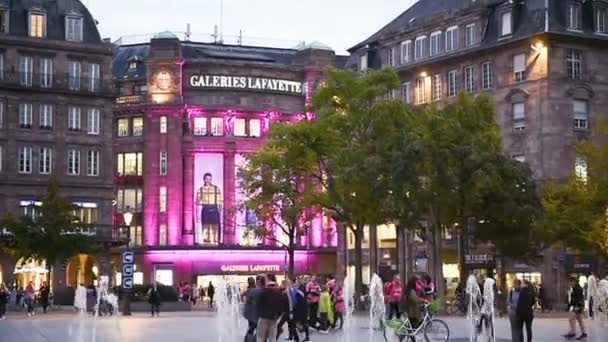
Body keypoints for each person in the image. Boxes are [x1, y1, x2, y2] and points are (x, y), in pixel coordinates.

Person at [256, 274, 285, 342]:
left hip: (263, 317)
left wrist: (260, 314)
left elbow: (258, 304)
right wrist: (277, 316)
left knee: (260, 337)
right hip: (273, 318)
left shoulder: (263, 291)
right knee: (272, 337)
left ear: (268, 280)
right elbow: (281, 307)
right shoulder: (279, 292)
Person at [196, 172, 223, 245]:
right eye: (207, 179)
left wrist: (220, 212)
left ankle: (215, 242)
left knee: (215, 226)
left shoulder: (216, 189)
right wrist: (197, 215)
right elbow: (197, 204)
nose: (208, 181)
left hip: (214, 209)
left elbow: (220, 202)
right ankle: (206, 243)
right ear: (204, 179)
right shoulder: (200, 190)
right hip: (205, 209)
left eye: (210, 179)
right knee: (205, 226)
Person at [243, 276, 264, 340]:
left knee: (251, 327)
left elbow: (243, 296)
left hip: (250, 311)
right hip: (255, 311)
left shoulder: (249, 289)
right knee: (256, 327)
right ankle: (251, 339)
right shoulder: (255, 289)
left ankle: (248, 339)